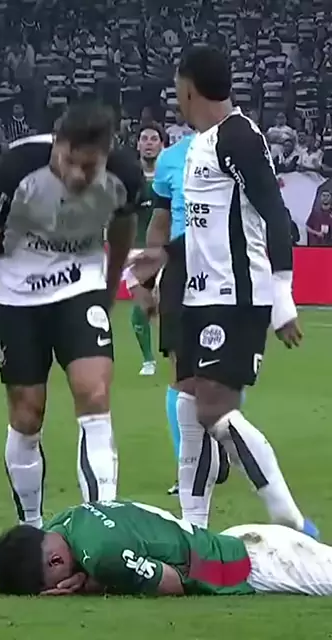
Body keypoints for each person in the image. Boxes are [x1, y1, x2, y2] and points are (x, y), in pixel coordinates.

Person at [126, 45, 318, 536]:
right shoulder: (202, 145)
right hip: (198, 294)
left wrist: (282, 299)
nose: (176, 98)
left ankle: (289, 517)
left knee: (214, 409)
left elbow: (275, 215)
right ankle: (194, 529)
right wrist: (163, 256)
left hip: (235, 296)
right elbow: (205, 228)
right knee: (188, 401)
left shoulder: (239, 138)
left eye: (177, 88)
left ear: (188, 88)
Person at [0, 102, 142, 529]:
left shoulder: (125, 176)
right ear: (56, 143)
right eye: (68, 161)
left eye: (88, 167)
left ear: (106, 154)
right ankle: (32, 528)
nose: (77, 174)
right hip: (18, 294)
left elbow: (122, 228)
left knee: (94, 394)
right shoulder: (17, 167)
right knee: (27, 414)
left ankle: (101, 526)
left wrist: (109, 286)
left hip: (80, 285)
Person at [129, 124, 230, 496]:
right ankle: (188, 462)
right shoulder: (170, 159)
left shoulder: (233, 149)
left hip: (224, 266)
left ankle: (218, 444)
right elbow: (159, 222)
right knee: (180, 371)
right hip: (179, 269)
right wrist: (147, 279)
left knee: (224, 370)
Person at [0, 500, 332, 597]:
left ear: (56, 561)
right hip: (238, 541)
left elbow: (173, 583)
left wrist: (91, 584)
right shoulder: (65, 520)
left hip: (261, 565)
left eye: (51, 584)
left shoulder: (103, 556)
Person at [131, 123, 165, 376]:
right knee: (142, 308)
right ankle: (148, 360)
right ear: (138, 145)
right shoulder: (130, 179)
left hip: (165, 252)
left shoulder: (170, 176)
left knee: (166, 306)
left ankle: (178, 353)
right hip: (135, 251)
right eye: (145, 139)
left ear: (162, 145)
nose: (149, 143)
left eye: (154, 139)